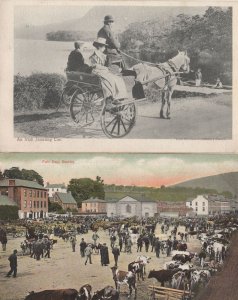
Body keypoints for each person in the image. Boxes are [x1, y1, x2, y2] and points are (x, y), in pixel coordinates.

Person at [90, 37, 128, 101]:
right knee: (111, 79)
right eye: (103, 47)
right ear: (99, 47)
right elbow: (94, 66)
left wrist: (107, 68)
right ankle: (112, 97)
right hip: (97, 72)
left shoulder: (103, 55)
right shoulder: (94, 56)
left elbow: (105, 65)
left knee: (118, 78)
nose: (105, 48)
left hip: (102, 71)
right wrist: (105, 68)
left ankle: (119, 96)